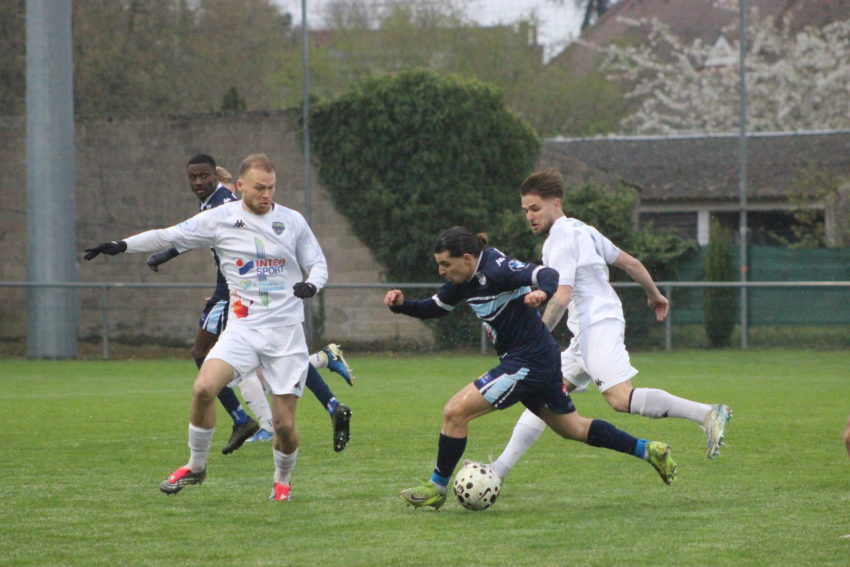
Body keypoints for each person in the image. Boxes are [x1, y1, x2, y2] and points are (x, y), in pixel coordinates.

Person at [85, 153, 325, 501]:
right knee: (203, 389)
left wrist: (312, 284)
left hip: (286, 333)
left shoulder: (292, 220)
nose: (266, 195)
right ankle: (196, 467)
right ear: (240, 186)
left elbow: (318, 263)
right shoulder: (220, 219)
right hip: (243, 330)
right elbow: (167, 236)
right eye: (259, 188)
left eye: (271, 188)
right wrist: (122, 246)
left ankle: (282, 479)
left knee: (285, 426)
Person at [384, 226, 677, 510]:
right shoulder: (464, 278)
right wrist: (402, 305)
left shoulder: (497, 269)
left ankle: (436, 488)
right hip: (539, 359)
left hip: (527, 361)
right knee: (573, 428)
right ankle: (648, 449)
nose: (441, 271)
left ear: (467, 258)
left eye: (445, 264)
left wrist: (543, 293)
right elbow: (436, 306)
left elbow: (548, 275)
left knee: (454, 412)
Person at [489, 168, 732, 481]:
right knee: (542, 397)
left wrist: (534, 337)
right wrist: (654, 294)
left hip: (597, 324)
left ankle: (708, 413)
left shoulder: (560, 239)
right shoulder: (584, 230)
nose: (529, 216)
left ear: (555, 203)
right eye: (525, 211)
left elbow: (562, 296)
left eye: (535, 208)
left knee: (619, 398)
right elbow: (630, 263)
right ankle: (498, 470)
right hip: (587, 331)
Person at [146, 156, 355, 453]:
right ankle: (323, 389)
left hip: (238, 296)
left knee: (211, 355)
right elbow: (197, 239)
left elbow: (216, 242)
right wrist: (166, 255)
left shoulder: (227, 206)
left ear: (231, 184)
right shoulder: (214, 206)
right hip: (235, 292)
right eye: (193, 177)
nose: (198, 182)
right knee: (265, 361)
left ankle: (248, 420)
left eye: (204, 176)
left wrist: (225, 289)